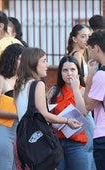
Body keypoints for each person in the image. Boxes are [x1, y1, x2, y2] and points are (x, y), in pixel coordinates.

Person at [14, 47, 82, 167]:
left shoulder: (20, 84)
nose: (47, 65)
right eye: (44, 61)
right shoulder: (37, 84)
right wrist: (67, 121)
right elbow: (44, 114)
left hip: (22, 141)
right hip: (38, 142)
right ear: (33, 63)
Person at [47, 55, 89, 170]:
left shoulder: (83, 90)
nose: (69, 73)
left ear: (78, 72)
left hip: (76, 143)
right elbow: (46, 116)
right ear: (60, 72)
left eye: (72, 69)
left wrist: (75, 89)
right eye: (65, 70)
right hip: (56, 143)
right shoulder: (54, 91)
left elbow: (83, 113)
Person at [66, 24, 96, 170]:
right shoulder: (76, 55)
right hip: (80, 102)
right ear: (74, 38)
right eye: (82, 36)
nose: (86, 39)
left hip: (79, 101)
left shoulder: (79, 54)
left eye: (88, 36)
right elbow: (80, 81)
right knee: (89, 143)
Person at [84, 29, 105, 170]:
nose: (89, 53)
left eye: (90, 49)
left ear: (96, 48)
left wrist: (90, 75)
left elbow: (87, 105)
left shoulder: (101, 75)